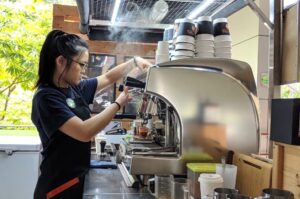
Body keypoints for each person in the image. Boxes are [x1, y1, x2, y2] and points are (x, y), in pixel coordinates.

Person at [31, 30, 151, 199]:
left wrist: (134, 62)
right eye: (82, 64)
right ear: (60, 61)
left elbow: (109, 78)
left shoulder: (73, 87)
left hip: (76, 180)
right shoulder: (46, 97)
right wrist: (118, 104)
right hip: (58, 188)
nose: (84, 70)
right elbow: (84, 132)